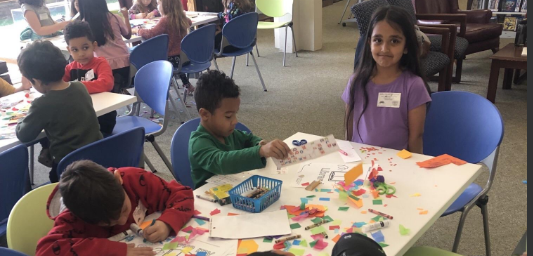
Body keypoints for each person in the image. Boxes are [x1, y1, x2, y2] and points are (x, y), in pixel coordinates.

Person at [35, 160, 195, 256]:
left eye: (125, 209)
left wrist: (167, 223)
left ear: (118, 179)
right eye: (109, 223)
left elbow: (182, 194)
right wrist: (111, 251)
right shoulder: (73, 216)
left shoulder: (135, 179)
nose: (123, 220)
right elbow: (45, 251)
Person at [342, 6, 431, 154]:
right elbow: (349, 126)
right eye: (378, 40)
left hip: (397, 165)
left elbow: (416, 137)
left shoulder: (413, 85)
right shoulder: (356, 81)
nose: (384, 48)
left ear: (406, 46)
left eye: (394, 41)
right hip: (361, 163)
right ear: (370, 43)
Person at [16, 41, 102, 183]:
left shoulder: (42, 104)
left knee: (52, 179)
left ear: (36, 81)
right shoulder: (80, 87)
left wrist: (21, 120)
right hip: (98, 158)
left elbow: (24, 135)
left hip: (68, 170)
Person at [189, 70, 291, 188]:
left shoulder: (228, 133)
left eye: (235, 114)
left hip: (237, 190)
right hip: (209, 201)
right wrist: (260, 151)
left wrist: (259, 143)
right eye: (228, 116)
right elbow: (222, 162)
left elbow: (249, 139)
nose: (235, 121)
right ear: (205, 114)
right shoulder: (198, 143)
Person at [63, 20, 116, 136]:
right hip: (80, 117)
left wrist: (76, 87)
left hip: (103, 118)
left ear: (94, 46)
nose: (81, 54)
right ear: (69, 50)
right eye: (75, 50)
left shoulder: (101, 63)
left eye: (85, 47)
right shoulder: (70, 68)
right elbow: (59, 85)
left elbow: (106, 84)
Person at [132, 0, 195, 94]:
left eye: (158, 4)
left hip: (169, 60)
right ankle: (187, 84)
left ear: (165, 6)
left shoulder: (165, 20)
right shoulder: (181, 17)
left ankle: (155, 89)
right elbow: (189, 22)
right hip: (182, 58)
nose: (157, 6)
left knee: (146, 55)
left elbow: (151, 34)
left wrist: (138, 30)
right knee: (174, 53)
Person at [79, 0, 132, 93]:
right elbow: (128, 34)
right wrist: (126, 17)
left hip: (102, 70)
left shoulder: (84, 25)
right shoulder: (115, 17)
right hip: (125, 67)